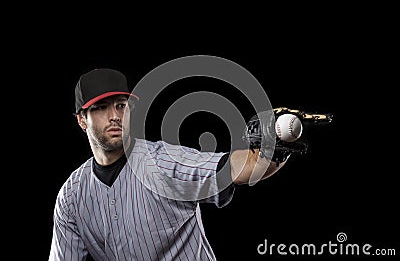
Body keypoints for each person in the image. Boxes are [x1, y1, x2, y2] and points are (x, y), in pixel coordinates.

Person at [48, 68, 290, 261]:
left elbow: (235, 169)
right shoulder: (72, 196)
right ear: (82, 120)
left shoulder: (162, 161)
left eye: (121, 105)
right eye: (101, 108)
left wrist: (273, 148)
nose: (115, 116)